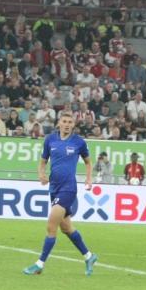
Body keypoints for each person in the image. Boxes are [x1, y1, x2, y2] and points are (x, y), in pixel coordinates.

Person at [23, 110, 98, 276]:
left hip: (68, 188)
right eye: (64, 121)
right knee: (66, 228)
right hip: (54, 188)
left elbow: (88, 162)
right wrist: (41, 174)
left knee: (51, 226)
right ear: (59, 123)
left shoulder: (78, 142)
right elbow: (43, 161)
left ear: (73, 125)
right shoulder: (50, 139)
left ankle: (39, 264)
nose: (67, 125)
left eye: (70, 122)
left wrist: (88, 178)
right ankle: (89, 256)